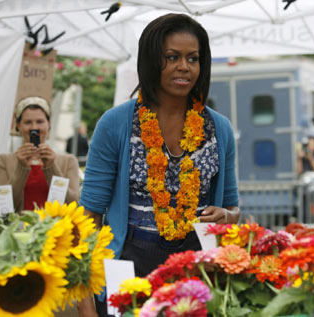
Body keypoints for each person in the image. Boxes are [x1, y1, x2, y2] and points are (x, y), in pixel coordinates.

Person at [77, 13, 240, 316]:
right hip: (127, 267)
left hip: (196, 271)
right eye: (171, 57)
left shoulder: (220, 129)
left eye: (193, 58)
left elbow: (233, 208)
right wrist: (86, 307)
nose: (184, 67)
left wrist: (226, 216)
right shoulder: (115, 124)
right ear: (152, 61)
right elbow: (89, 219)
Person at [0, 96, 80, 212]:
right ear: (18, 125)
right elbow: (3, 208)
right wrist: (22, 167)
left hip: (56, 229)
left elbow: (73, 204)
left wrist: (51, 168)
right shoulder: (3, 161)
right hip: (18, 229)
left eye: (40, 121)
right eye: (28, 122)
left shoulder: (68, 161)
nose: (34, 128)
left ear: (49, 123)